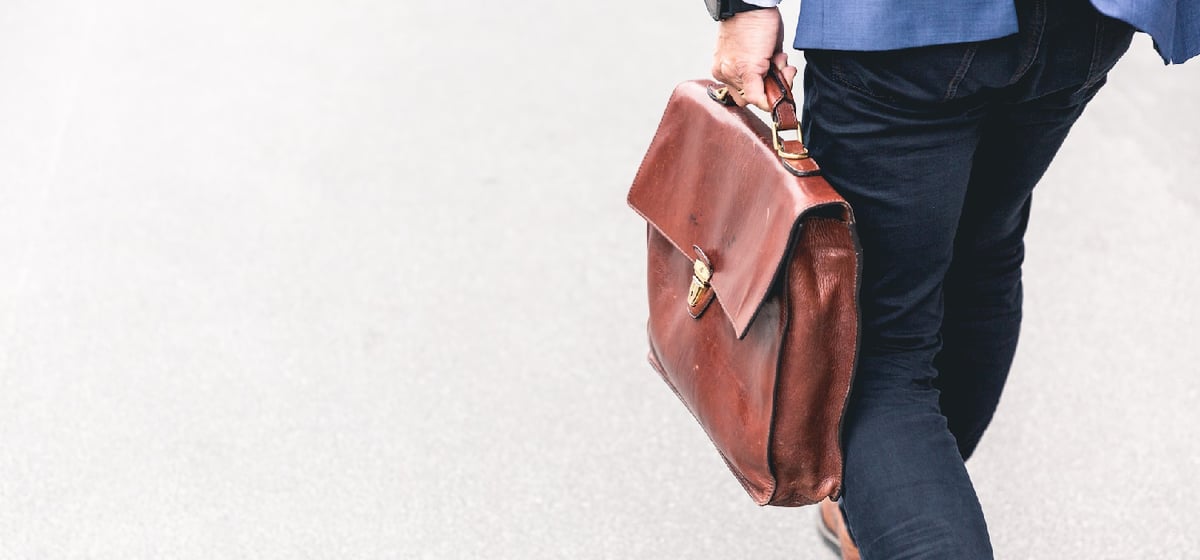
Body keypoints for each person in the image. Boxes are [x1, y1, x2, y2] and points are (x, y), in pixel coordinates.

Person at [707, 0, 1198, 558]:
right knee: (981, 254)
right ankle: (897, 495)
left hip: (904, 27)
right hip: (1083, 24)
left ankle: (904, 500)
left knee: (874, 351)